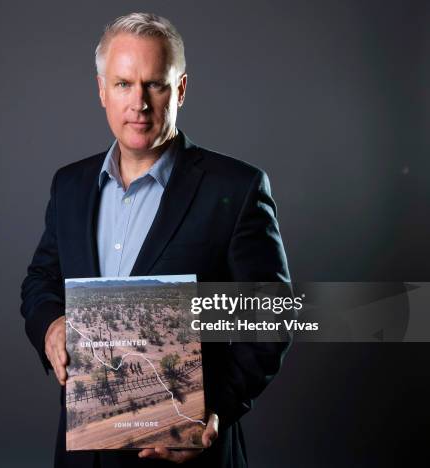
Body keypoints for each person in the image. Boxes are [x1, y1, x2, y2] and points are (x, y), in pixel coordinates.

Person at [21, 12, 290, 468]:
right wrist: (50, 324)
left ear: (180, 89)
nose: (138, 103)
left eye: (155, 85)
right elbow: (41, 280)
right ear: (101, 90)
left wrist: (213, 410)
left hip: (188, 451)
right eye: (124, 84)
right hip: (84, 454)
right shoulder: (69, 186)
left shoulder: (236, 188)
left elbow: (269, 316)